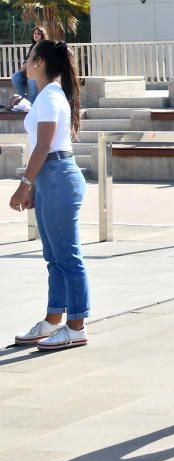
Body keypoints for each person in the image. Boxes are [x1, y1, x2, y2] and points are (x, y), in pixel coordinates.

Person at [11, 40, 89, 351]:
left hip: (57, 176)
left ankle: (77, 325)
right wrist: (34, 184)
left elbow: (44, 145)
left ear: (40, 62)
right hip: (50, 177)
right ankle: (54, 319)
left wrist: (24, 183)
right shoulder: (46, 96)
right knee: (54, 258)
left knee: (67, 257)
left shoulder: (50, 97)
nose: (25, 63)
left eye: (29, 58)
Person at [11, 26, 47, 104]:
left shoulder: (44, 47)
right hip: (29, 72)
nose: (36, 35)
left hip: (39, 74)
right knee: (15, 77)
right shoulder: (32, 47)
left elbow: (40, 62)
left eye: (38, 34)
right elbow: (27, 60)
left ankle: (32, 103)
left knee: (32, 77)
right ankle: (22, 99)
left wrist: (28, 66)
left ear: (42, 36)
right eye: (35, 33)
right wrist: (24, 67)